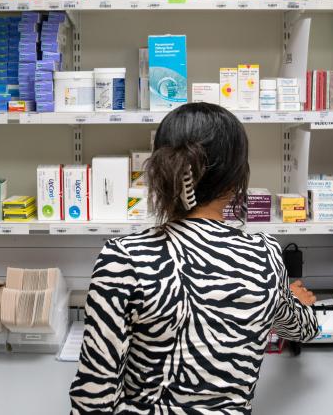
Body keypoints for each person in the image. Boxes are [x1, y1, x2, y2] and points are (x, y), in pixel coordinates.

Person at [70, 102, 318, 414]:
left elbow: (92, 397)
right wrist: (295, 301)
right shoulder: (265, 256)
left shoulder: (124, 258)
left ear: (163, 170)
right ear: (236, 180)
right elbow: (304, 329)